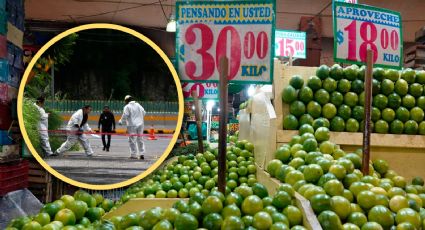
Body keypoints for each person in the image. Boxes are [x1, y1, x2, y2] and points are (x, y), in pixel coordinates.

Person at [119, 95, 146, 160]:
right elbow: (144, 112)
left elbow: (125, 115)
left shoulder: (127, 106)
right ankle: (142, 153)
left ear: (126, 101)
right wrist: (139, 118)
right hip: (141, 124)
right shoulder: (138, 105)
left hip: (132, 125)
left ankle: (134, 155)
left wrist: (121, 121)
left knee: (132, 140)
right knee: (140, 139)